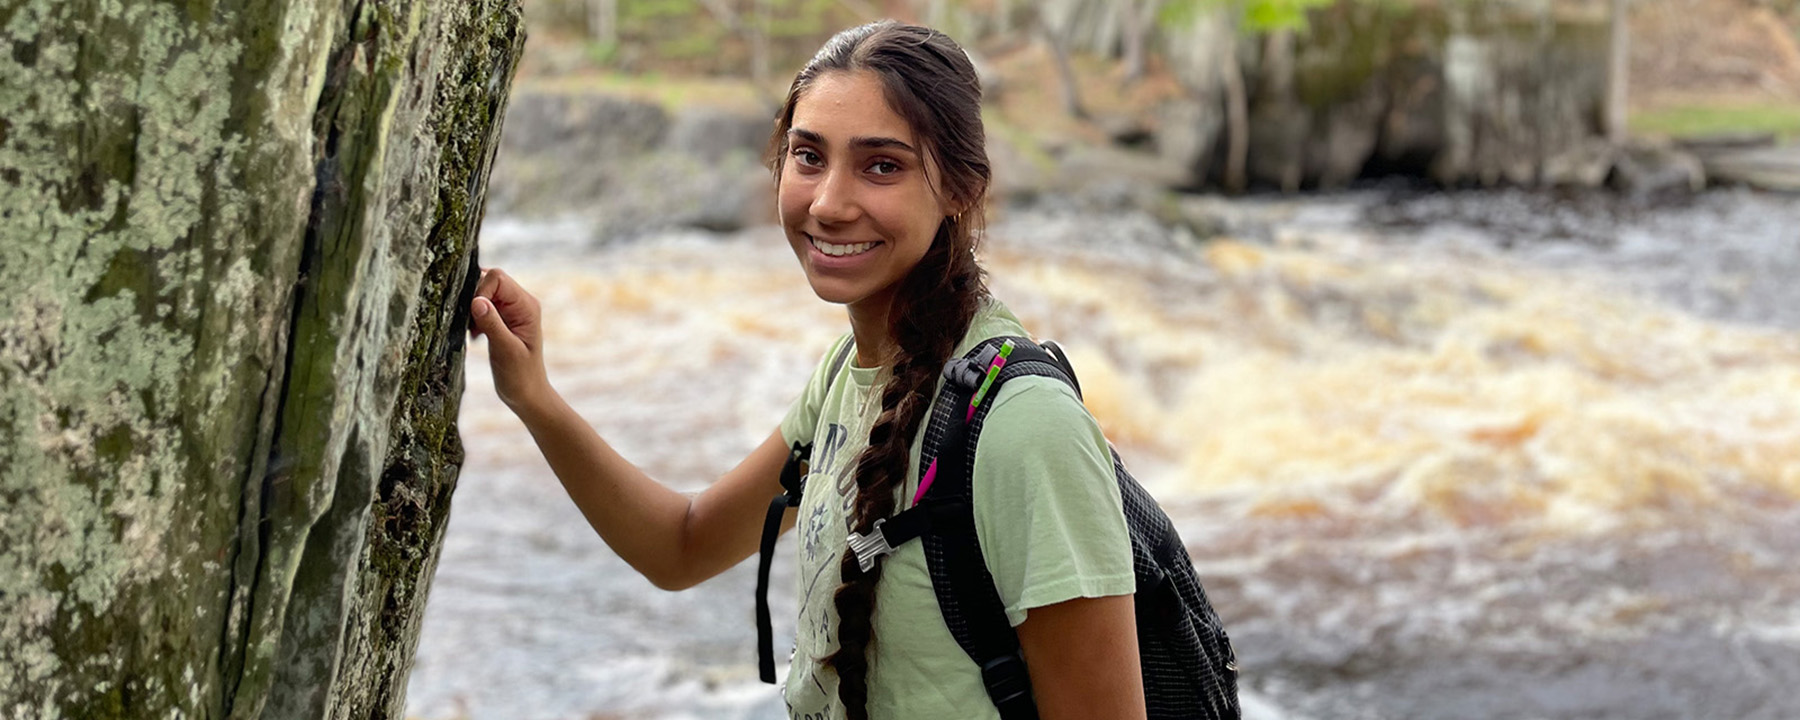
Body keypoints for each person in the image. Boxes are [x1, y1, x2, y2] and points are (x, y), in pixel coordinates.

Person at [469, 21, 1145, 720]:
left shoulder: (1024, 428)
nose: (828, 202)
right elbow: (683, 545)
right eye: (808, 156)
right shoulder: (849, 372)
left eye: (881, 165)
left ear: (960, 189)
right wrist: (534, 398)